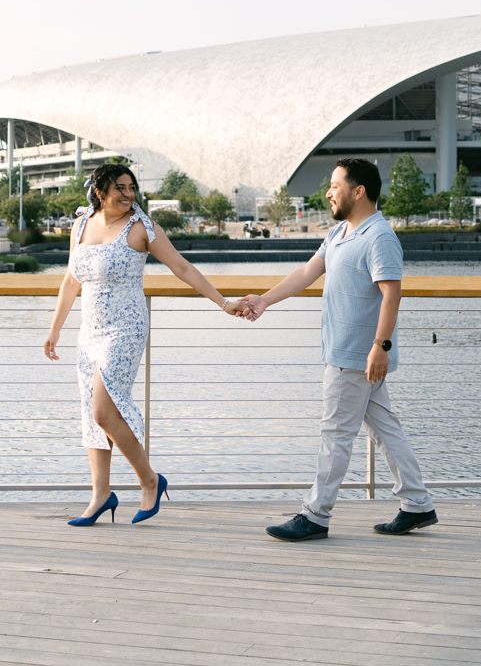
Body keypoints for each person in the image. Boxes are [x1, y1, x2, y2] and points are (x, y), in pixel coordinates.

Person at [238, 158, 437, 542]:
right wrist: (264, 300)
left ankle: (315, 515)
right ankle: (417, 504)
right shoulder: (341, 232)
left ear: (358, 191)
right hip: (353, 355)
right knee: (385, 430)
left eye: (335, 185)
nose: (328, 192)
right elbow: (306, 273)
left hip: (356, 356)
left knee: (335, 434)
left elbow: (391, 293)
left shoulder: (378, 236)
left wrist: (380, 347)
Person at [44, 163, 246, 527]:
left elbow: (182, 268)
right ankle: (101, 495)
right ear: (99, 190)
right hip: (88, 332)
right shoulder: (80, 225)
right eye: (119, 188)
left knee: (104, 411)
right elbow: (71, 280)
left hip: (126, 328)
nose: (128, 194)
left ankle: (149, 480)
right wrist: (54, 329)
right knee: (91, 414)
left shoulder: (142, 228)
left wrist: (222, 301)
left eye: (131, 187)